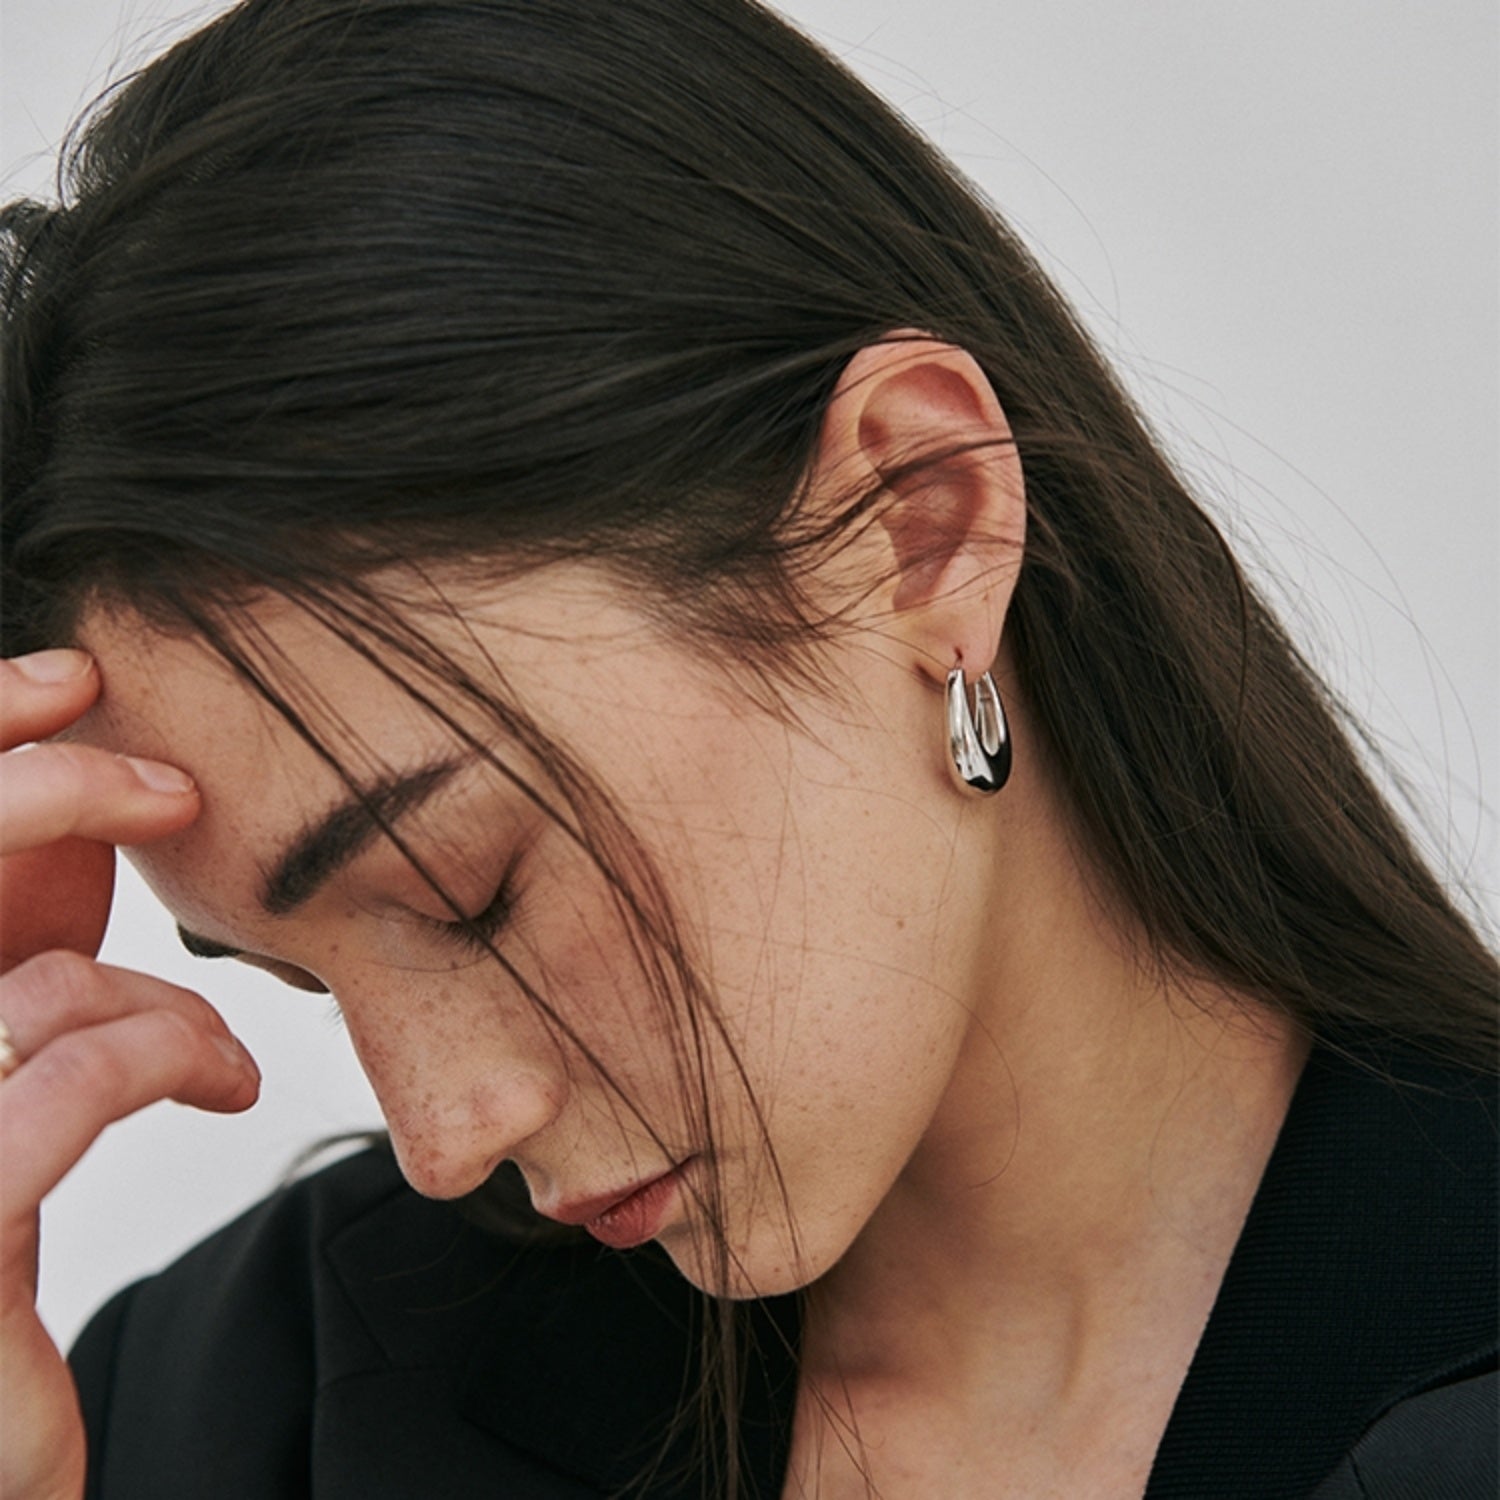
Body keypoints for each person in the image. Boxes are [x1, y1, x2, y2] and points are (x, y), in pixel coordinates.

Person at [0, 0, 1494, 1496]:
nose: (442, 1134)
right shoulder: (238, 1409)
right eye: (310, 984)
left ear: (922, 523)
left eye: (468, 892)